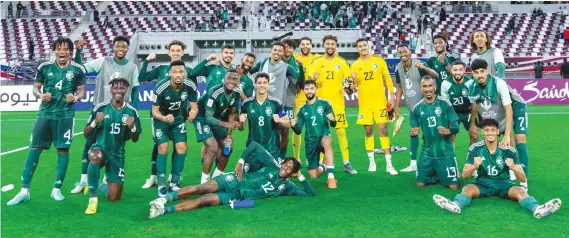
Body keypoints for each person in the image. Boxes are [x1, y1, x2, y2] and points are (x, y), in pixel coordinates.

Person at [8, 38, 86, 206]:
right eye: (59, 49)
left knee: (63, 150)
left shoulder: (78, 69)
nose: (62, 52)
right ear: (54, 51)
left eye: (66, 49)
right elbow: (35, 88)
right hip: (45, 114)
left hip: (65, 115)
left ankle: (56, 189)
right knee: (34, 149)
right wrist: (40, 95)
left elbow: (81, 92)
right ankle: (24, 191)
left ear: (71, 52)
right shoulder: (44, 67)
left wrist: (76, 98)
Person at [433, 119, 562, 219]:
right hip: (482, 183)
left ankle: (537, 209)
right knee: (467, 189)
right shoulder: (475, 149)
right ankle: (456, 205)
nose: (490, 133)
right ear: (483, 132)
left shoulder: (509, 150)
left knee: (520, 192)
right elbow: (464, 175)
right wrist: (473, 166)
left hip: (504, 184)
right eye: (487, 130)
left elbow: (522, 178)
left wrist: (513, 167)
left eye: (492, 130)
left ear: (497, 132)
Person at [71, 35, 140, 194]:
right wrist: (79, 51)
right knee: (89, 143)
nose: (121, 49)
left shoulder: (132, 67)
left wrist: (133, 112)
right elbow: (81, 68)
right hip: (99, 109)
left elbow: (135, 90)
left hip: (120, 112)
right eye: (118, 46)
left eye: (124, 47)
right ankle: (83, 181)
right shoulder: (104, 61)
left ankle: (105, 179)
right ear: (113, 47)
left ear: (127, 49)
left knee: (115, 144)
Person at [148, 158, 314, 218]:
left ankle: (162, 211)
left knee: (203, 201)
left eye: (290, 167)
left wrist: (300, 176)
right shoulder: (271, 165)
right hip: (233, 180)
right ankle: (163, 199)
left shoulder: (287, 187)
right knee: (200, 188)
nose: (286, 166)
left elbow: (310, 194)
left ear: (292, 173)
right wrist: (241, 162)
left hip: (238, 197)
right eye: (286, 163)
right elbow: (255, 146)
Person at [139, 40, 195, 189]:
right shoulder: (161, 70)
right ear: (169, 52)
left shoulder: (188, 74)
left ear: (182, 53)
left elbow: (192, 97)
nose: (176, 52)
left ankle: (174, 179)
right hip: (161, 116)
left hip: (178, 117)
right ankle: (155, 178)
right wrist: (146, 61)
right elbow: (141, 78)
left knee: (180, 147)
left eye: (179, 50)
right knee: (160, 146)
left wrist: (192, 112)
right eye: (173, 50)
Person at [468, 59, 530, 190]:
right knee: (497, 136)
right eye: (476, 72)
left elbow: (508, 108)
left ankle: (523, 181)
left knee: (518, 139)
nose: (480, 75)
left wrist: (507, 134)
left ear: (487, 71)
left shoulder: (499, 83)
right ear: (472, 73)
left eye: (482, 71)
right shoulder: (472, 86)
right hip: (497, 109)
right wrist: (473, 123)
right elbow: (474, 105)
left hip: (515, 107)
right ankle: (508, 170)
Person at [84, 78, 141, 214]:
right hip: (101, 149)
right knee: (96, 156)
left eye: (122, 88)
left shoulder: (132, 112)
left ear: (126, 90)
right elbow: (86, 134)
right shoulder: (100, 108)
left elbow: (135, 139)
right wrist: (94, 122)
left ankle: (97, 184)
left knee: (113, 197)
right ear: (110, 90)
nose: (119, 91)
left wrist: (132, 127)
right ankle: (92, 199)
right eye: (115, 88)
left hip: (118, 155)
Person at [309, 35, 357, 174]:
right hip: (320, 106)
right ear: (324, 45)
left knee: (341, 132)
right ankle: (321, 163)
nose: (330, 46)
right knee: (321, 135)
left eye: (332, 44)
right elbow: (309, 83)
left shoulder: (342, 62)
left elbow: (348, 85)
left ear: (336, 46)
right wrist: (313, 79)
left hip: (337, 104)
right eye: (327, 44)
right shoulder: (316, 62)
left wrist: (350, 83)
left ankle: (346, 163)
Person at [350, 38, 398, 175]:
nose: (363, 47)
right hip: (365, 104)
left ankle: (389, 165)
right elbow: (352, 88)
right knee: (368, 131)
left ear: (368, 46)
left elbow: (388, 78)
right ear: (357, 49)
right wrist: (352, 79)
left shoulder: (379, 61)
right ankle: (372, 162)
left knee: (383, 130)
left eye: (364, 45)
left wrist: (392, 95)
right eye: (360, 46)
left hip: (380, 103)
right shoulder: (354, 66)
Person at [151, 61, 198, 197]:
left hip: (177, 120)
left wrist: (193, 112)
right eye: (175, 72)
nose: (178, 75)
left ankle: (174, 183)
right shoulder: (161, 87)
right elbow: (154, 111)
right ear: (170, 73)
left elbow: (194, 106)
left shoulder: (190, 85)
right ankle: (161, 184)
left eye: (181, 72)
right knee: (163, 148)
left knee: (182, 148)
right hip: (161, 120)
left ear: (185, 73)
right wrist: (164, 118)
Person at [249, 41, 301, 159]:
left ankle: (280, 158)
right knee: (265, 133)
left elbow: (298, 78)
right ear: (271, 50)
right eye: (275, 50)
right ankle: (264, 157)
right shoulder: (263, 63)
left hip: (280, 105)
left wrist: (301, 68)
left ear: (283, 53)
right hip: (263, 104)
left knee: (283, 132)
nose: (277, 52)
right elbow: (249, 72)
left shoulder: (287, 67)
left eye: (280, 51)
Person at [394, 44, 439, 172]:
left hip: (427, 106)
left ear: (410, 53)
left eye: (405, 51)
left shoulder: (419, 65)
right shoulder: (398, 69)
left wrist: (424, 67)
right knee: (413, 134)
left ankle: (435, 161)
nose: (402, 54)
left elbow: (436, 76)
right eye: (400, 52)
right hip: (412, 109)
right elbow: (399, 87)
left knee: (430, 134)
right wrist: (396, 105)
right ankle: (413, 163)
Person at [410, 76, 460, 190]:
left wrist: (449, 131)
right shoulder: (416, 108)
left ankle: (440, 172)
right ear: (421, 88)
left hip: (445, 152)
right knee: (420, 184)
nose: (428, 89)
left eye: (430, 86)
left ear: (435, 87)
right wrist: (413, 133)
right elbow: (413, 132)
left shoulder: (445, 104)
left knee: (454, 186)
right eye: (425, 86)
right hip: (427, 153)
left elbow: (456, 128)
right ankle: (436, 174)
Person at [193, 69, 242, 184]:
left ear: (238, 81)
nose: (231, 81)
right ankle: (204, 182)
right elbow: (208, 118)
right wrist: (226, 124)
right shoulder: (214, 92)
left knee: (227, 148)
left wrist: (229, 135)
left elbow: (232, 113)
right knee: (213, 147)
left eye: (234, 79)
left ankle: (216, 178)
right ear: (224, 79)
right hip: (202, 118)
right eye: (229, 78)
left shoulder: (236, 93)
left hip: (217, 119)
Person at [291, 80, 339, 189]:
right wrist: (293, 125)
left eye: (311, 88)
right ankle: (324, 165)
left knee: (327, 141)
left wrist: (332, 120)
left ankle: (331, 178)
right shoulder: (302, 110)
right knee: (313, 175)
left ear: (315, 89)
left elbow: (333, 123)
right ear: (304, 91)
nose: (309, 91)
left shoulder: (324, 103)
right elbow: (298, 131)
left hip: (323, 136)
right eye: (307, 89)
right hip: (310, 142)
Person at [239, 73, 289, 160]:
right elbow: (241, 128)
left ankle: (281, 157)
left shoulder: (275, 103)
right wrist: (242, 122)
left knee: (272, 173)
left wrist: (280, 120)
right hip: (253, 147)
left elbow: (287, 124)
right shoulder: (247, 103)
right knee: (249, 173)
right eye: (259, 83)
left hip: (272, 149)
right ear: (255, 84)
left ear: (268, 85)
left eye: (265, 83)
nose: (262, 85)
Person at [292, 36, 320, 162]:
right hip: (298, 98)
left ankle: (319, 158)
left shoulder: (317, 58)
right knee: (297, 128)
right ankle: (297, 157)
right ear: (300, 46)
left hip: (314, 98)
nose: (305, 46)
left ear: (311, 45)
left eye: (307, 44)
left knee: (317, 127)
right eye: (302, 44)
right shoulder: (295, 59)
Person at [441, 61, 477, 146]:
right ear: (451, 71)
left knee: (474, 135)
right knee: (450, 136)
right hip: (453, 113)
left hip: (467, 112)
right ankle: (452, 159)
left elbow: (474, 104)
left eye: (460, 70)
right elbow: (446, 105)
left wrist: (473, 124)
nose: (458, 72)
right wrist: (449, 120)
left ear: (464, 71)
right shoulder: (446, 84)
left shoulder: (471, 83)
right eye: (455, 70)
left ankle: (471, 158)